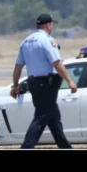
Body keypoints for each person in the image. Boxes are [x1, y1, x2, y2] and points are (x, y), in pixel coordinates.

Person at [10, 14, 77, 149]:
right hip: (47, 84)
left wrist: (15, 85)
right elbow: (56, 63)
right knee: (41, 117)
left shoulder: (26, 41)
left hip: (34, 83)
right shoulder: (47, 40)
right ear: (48, 25)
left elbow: (18, 66)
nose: (52, 27)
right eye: (52, 24)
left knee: (54, 120)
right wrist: (70, 81)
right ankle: (26, 147)